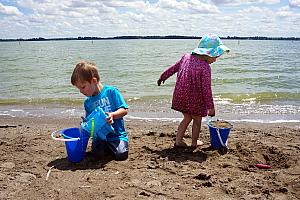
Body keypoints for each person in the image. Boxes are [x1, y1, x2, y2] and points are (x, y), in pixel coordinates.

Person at [157, 33, 230, 148]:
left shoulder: (185, 57)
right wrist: (211, 107)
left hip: (180, 97)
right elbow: (206, 89)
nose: (215, 59)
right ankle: (194, 143)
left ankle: (178, 141)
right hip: (195, 99)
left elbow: (173, 68)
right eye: (216, 56)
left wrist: (163, 76)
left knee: (186, 118)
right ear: (208, 53)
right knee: (197, 121)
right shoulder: (205, 67)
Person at [71, 61, 129, 161]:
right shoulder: (88, 103)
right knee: (98, 156)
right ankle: (105, 149)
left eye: (83, 87)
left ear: (94, 81)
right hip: (100, 137)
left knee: (121, 155)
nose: (81, 91)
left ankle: (112, 148)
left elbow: (124, 110)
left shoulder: (111, 92)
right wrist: (86, 124)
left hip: (117, 135)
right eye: (78, 88)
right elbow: (91, 123)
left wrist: (112, 115)